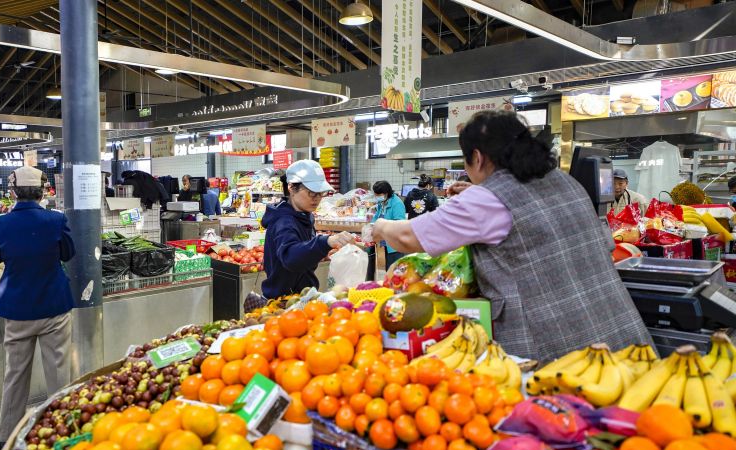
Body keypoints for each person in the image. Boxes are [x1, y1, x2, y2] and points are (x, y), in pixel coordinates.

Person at [371, 110, 651, 361]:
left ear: (477, 158)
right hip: (622, 336)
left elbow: (409, 237)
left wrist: (380, 225)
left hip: (557, 351)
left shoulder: (488, 200)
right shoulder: (565, 182)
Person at [0, 166, 75, 450]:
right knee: (59, 372)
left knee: (15, 375)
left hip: (17, 308)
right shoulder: (57, 220)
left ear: (13, 192)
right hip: (54, 306)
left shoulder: (0, 224)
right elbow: (68, 253)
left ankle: (6, 440)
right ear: (42, 192)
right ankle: (63, 432)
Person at [261, 160, 354, 299]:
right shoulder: (283, 221)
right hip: (283, 301)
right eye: (311, 193)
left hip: (303, 296)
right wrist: (324, 242)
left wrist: (319, 251)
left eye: (320, 193)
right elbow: (290, 257)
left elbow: (302, 253)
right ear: (292, 188)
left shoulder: (304, 215)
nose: (317, 199)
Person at [371, 180, 407, 268]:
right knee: (385, 267)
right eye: (376, 195)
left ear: (386, 193)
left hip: (394, 244)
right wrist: (371, 226)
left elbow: (399, 224)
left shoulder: (397, 204)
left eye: (379, 195)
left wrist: (383, 227)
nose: (377, 197)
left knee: (393, 269)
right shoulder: (382, 202)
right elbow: (377, 217)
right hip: (384, 241)